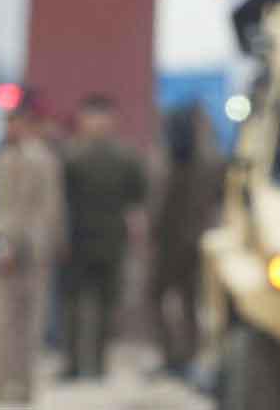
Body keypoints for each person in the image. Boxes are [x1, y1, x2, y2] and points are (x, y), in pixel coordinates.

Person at [59, 93, 147, 380]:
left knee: (106, 305)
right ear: (82, 120)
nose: (97, 124)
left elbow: (137, 200)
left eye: (102, 117)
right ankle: (73, 363)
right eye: (92, 117)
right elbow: (59, 201)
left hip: (111, 240)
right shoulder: (69, 156)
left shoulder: (125, 158)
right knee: (72, 305)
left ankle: (97, 364)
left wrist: (134, 233)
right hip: (75, 239)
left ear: (112, 121)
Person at [0, 92, 64, 405]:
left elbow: (50, 207)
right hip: (9, 248)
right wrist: (0, 246)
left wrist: (44, 243)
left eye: (14, 122)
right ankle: (2, 383)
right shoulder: (3, 159)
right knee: (4, 319)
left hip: (33, 249)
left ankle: (24, 385)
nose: (10, 129)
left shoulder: (42, 160)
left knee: (29, 320)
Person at [146, 103, 222, 379]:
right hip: (179, 242)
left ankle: (181, 357)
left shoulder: (198, 164)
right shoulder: (203, 162)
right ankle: (180, 356)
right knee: (180, 300)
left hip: (183, 243)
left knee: (182, 300)